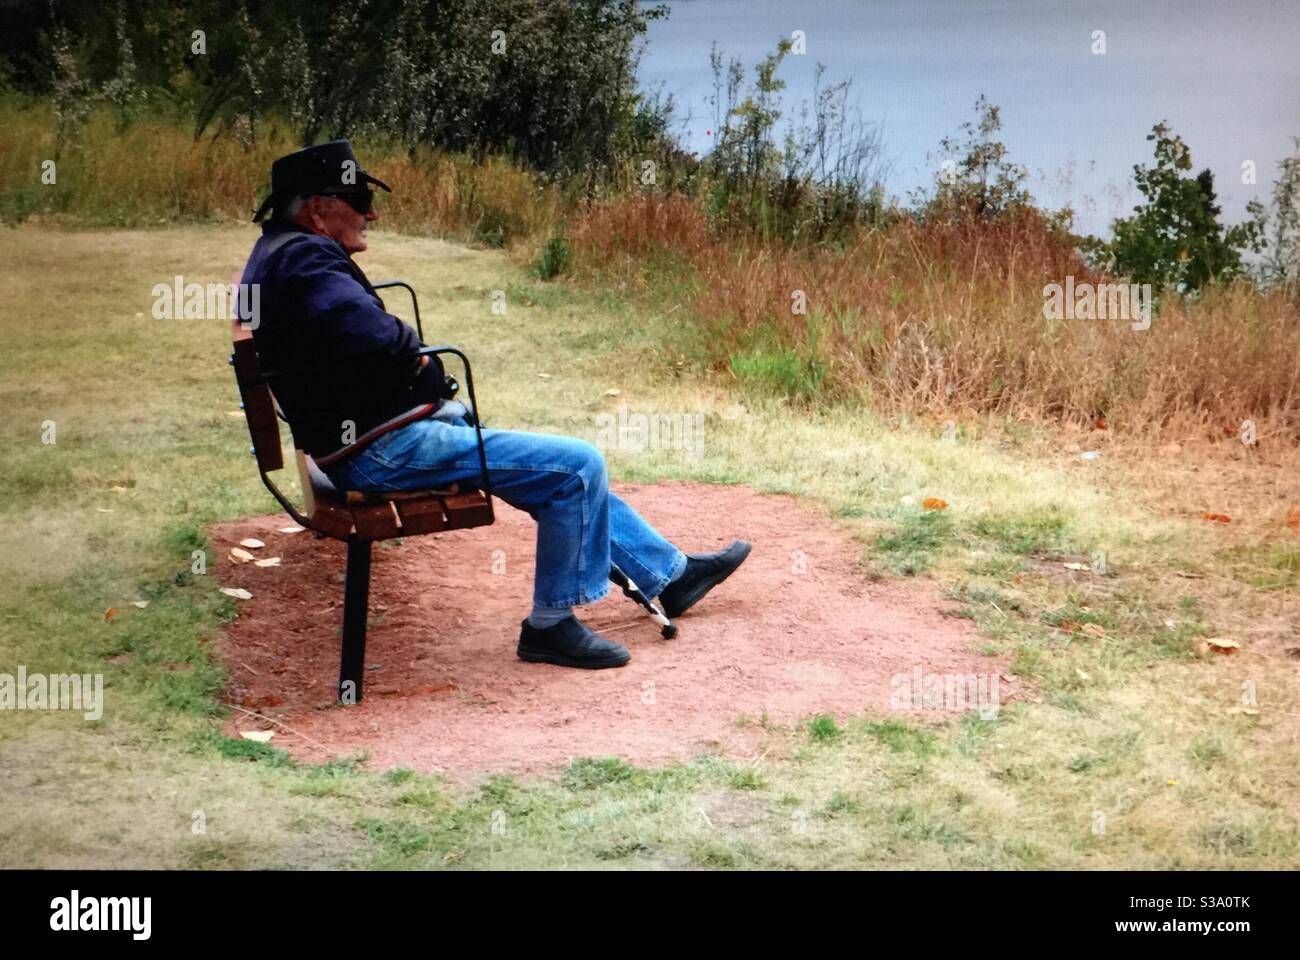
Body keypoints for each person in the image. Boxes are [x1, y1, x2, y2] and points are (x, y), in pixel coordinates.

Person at [239, 140, 750, 669]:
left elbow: (344, 334)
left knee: (548, 468)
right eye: (358, 197)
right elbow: (370, 332)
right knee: (575, 467)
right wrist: (414, 354)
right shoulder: (306, 262)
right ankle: (549, 627)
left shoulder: (283, 249)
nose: (372, 211)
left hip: (368, 437)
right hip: (379, 451)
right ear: (319, 208)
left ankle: (669, 575)